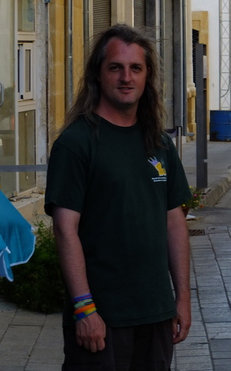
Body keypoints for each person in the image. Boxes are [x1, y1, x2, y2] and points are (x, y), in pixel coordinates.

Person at [44, 24, 191, 368]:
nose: (126, 77)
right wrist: (84, 308)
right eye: (116, 67)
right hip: (101, 316)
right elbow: (66, 231)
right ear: (99, 73)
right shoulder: (76, 144)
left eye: (135, 68)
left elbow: (174, 223)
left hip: (156, 313)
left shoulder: (159, 143)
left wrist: (181, 298)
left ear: (147, 75)